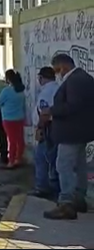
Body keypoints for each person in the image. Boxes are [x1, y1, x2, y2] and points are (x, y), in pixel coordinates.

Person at [44, 54, 94, 220]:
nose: (57, 74)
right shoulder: (84, 78)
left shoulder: (75, 80)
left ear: (63, 67)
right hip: (80, 132)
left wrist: (52, 111)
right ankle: (79, 199)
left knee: (63, 166)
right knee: (79, 166)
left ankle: (66, 203)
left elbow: (73, 106)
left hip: (71, 133)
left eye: (56, 70)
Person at [30, 66, 60, 201]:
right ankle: (53, 186)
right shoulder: (58, 88)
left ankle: (43, 187)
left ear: (41, 78)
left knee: (42, 158)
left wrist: (40, 129)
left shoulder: (47, 92)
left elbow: (45, 113)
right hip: (55, 128)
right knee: (53, 159)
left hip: (48, 129)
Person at [0, 69, 26, 169]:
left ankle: (11, 161)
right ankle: (18, 159)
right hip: (20, 117)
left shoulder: (6, 91)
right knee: (20, 140)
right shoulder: (21, 90)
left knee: (12, 141)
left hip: (8, 118)